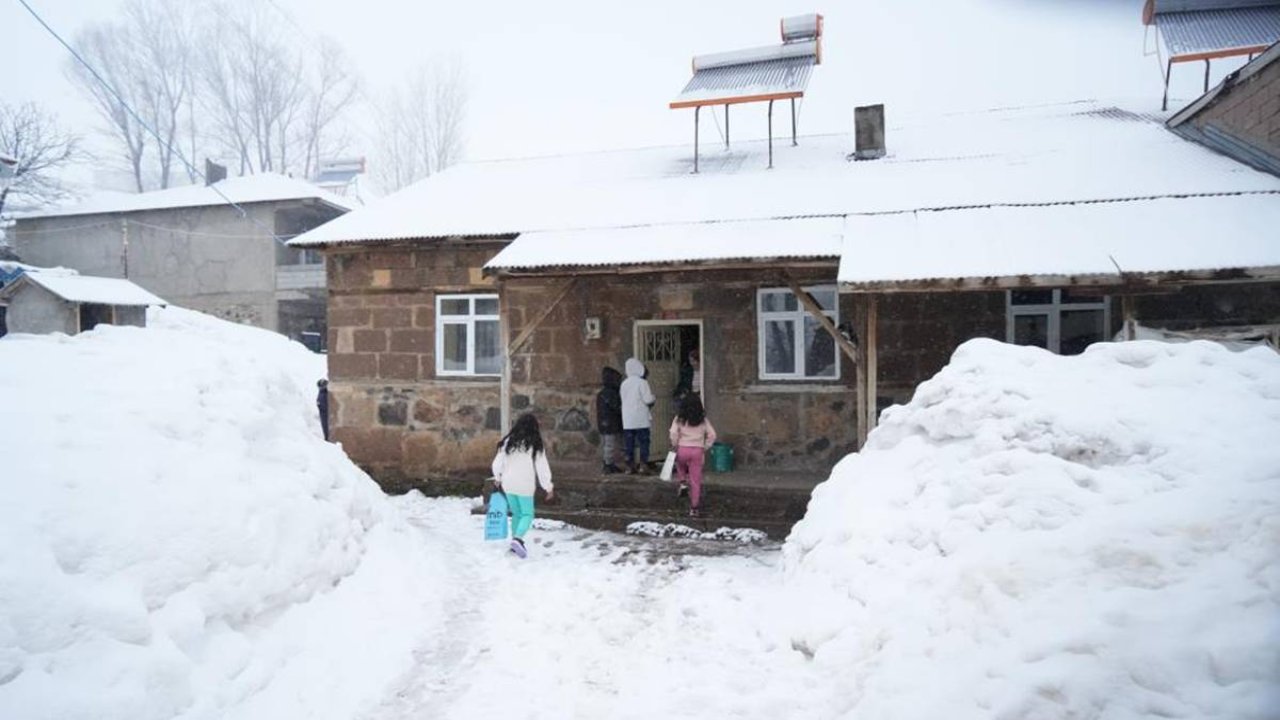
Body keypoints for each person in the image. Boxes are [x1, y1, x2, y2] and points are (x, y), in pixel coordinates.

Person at [492, 413, 554, 558]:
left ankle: (515, 542)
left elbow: (498, 462)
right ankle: (518, 539)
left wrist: (497, 477)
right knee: (527, 514)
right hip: (525, 483)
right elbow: (542, 467)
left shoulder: (508, 441)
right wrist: (548, 487)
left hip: (508, 483)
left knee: (516, 513)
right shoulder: (534, 443)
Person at [669, 393, 717, 518]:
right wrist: (704, 447)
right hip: (697, 450)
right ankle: (694, 508)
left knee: (680, 464)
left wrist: (675, 444)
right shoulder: (703, 420)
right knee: (696, 480)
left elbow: (673, 433)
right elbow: (712, 435)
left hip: (682, 448)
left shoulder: (679, 418)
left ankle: (682, 481)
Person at [620, 357, 656, 475]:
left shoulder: (624, 384)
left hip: (627, 419)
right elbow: (648, 400)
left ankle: (629, 466)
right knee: (643, 442)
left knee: (629, 443)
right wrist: (653, 398)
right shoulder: (642, 383)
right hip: (641, 418)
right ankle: (643, 465)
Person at [596, 366, 625, 473]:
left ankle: (609, 463)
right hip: (610, 423)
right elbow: (616, 407)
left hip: (606, 423)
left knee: (609, 444)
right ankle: (608, 464)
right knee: (609, 445)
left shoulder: (603, 393)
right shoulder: (610, 394)